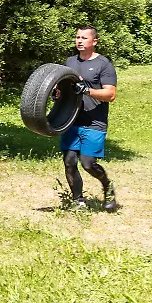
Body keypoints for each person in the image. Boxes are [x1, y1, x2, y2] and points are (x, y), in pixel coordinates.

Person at [60, 26, 118, 211]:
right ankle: (78, 201)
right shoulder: (69, 62)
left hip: (94, 121)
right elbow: (63, 88)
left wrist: (88, 90)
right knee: (69, 161)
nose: (79, 40)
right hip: (72, 120)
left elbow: (110, 94)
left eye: (84, 38)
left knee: (88, 163)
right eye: (77, 37)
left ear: (94, 41)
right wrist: (57, 93)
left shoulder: (104, 64)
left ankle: (108, 187)